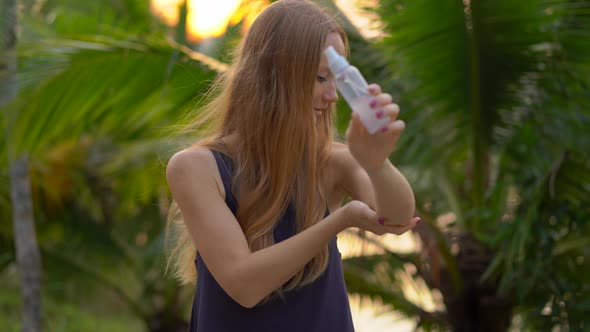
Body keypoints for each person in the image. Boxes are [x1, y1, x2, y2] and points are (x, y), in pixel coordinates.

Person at [165, 0, 420, 331]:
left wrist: (377, 164)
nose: (333, 97)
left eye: (337, 80)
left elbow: (398, 219)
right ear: (274, 76)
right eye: (319, 78)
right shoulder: (196, 168)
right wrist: (339, 219)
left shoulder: (331, 162)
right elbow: (244, 286)